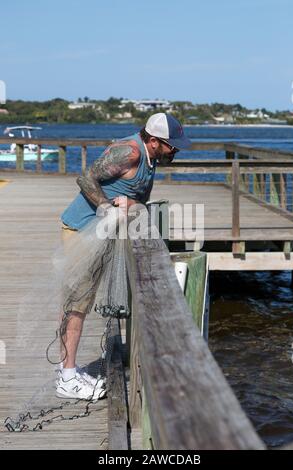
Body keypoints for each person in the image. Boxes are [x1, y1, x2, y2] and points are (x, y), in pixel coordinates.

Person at [55, 112, 191, 400]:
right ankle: (66, 377)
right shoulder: (129, 153)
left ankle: (72, 368)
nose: (175, 150)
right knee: (77, 303)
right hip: (81, 231)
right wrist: (106, 206)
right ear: (153, 141)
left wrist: (132, 203)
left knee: (86, 299)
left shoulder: (151, 158)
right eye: (172, 145)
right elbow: (87, 178)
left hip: (102, 235)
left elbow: (131, 194)